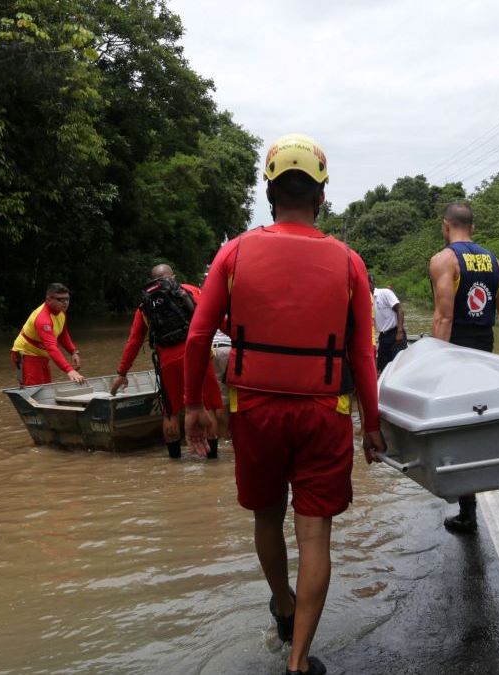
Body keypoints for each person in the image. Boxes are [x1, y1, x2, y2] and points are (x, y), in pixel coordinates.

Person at [182, 133, 385, 675]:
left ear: (269, 192)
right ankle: (298, 662)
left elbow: (198, 336)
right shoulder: (349, 262)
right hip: (324, 413)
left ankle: (280, 602)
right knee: (315, 532)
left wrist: (190, 407)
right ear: (320, 197)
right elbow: (362, 355)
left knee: (266, 519)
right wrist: (372, 423)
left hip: (255, 410)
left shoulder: (235, 252)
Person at [428, 201, 499, 534]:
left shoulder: (444, 260)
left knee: (453, 430)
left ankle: (465, 504)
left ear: (445, 225)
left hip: (454, 359)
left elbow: (444, 316)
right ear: (473, 228)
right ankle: (469, 506)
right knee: (476, 427)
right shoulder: (495, 262)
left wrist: (433, 367)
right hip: (486, 358)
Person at [110, 264, 223, 460]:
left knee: (170, 412)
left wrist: (122, 373)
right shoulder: (190, 290)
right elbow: (214, 318)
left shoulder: (145, 305)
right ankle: (211, 458)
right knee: (208, 407)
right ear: (173, 277)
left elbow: (134, 342)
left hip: (167, 362)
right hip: (198, 356)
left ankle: (174, 459)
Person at [11, 283, 85, 386]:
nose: (65, 303)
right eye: (60, 300)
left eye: (67, 299)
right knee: (34, 389)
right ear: (48, 299)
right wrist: (69, 370)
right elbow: (51, 348)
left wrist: (73, 351)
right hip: (26, 353)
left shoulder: (61, 311)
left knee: (47, 386)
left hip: (42, 353)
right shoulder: (43, 319)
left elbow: (62, 333)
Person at [370, 274, 406, 373]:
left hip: (395, 334)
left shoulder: (385, 293)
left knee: (398, 367)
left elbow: (400, 310)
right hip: (383, 337)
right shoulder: (367, 299)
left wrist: (400, 331)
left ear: (371, 283)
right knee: (382, 369)